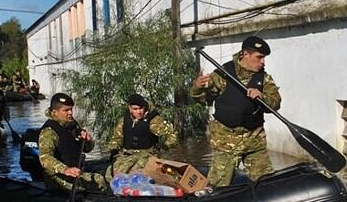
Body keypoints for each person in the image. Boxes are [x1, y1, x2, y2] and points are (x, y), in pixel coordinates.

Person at [190, 36, 281, 187]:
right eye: (259, 57)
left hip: (254, 139)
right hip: (226, 141)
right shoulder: (223, 74)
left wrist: (262, 97)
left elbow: (276, 102)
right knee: (218, 185)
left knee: (266, 184)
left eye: (264, 58)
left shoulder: (264, 79)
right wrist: (197, 87)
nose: (263, 62)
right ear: (245, 54)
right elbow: (204, 99)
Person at [38, 93, 108, 192]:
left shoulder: (72, 124)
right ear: (55, 112)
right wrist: (65, 170)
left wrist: (87, 141)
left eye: (71, 109)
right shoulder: (49, 131)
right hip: (58, 176)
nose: (70, 113)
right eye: (66, 110)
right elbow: (45, 158)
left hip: (77, 170)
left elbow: (87, 149)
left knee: (104, 175)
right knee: (98, 180)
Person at [105, 93, 179, 175]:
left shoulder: (153, 121)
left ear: (144, 107)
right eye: (135, 109)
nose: (139, 112)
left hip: (147, 154)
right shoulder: (124, 120)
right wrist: (113, 149)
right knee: (112, 173)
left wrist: (165, 145)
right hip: (127, 154)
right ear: (130, 108)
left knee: (135, 173)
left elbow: (172, 135)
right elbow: (116, 138)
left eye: (141, 108)